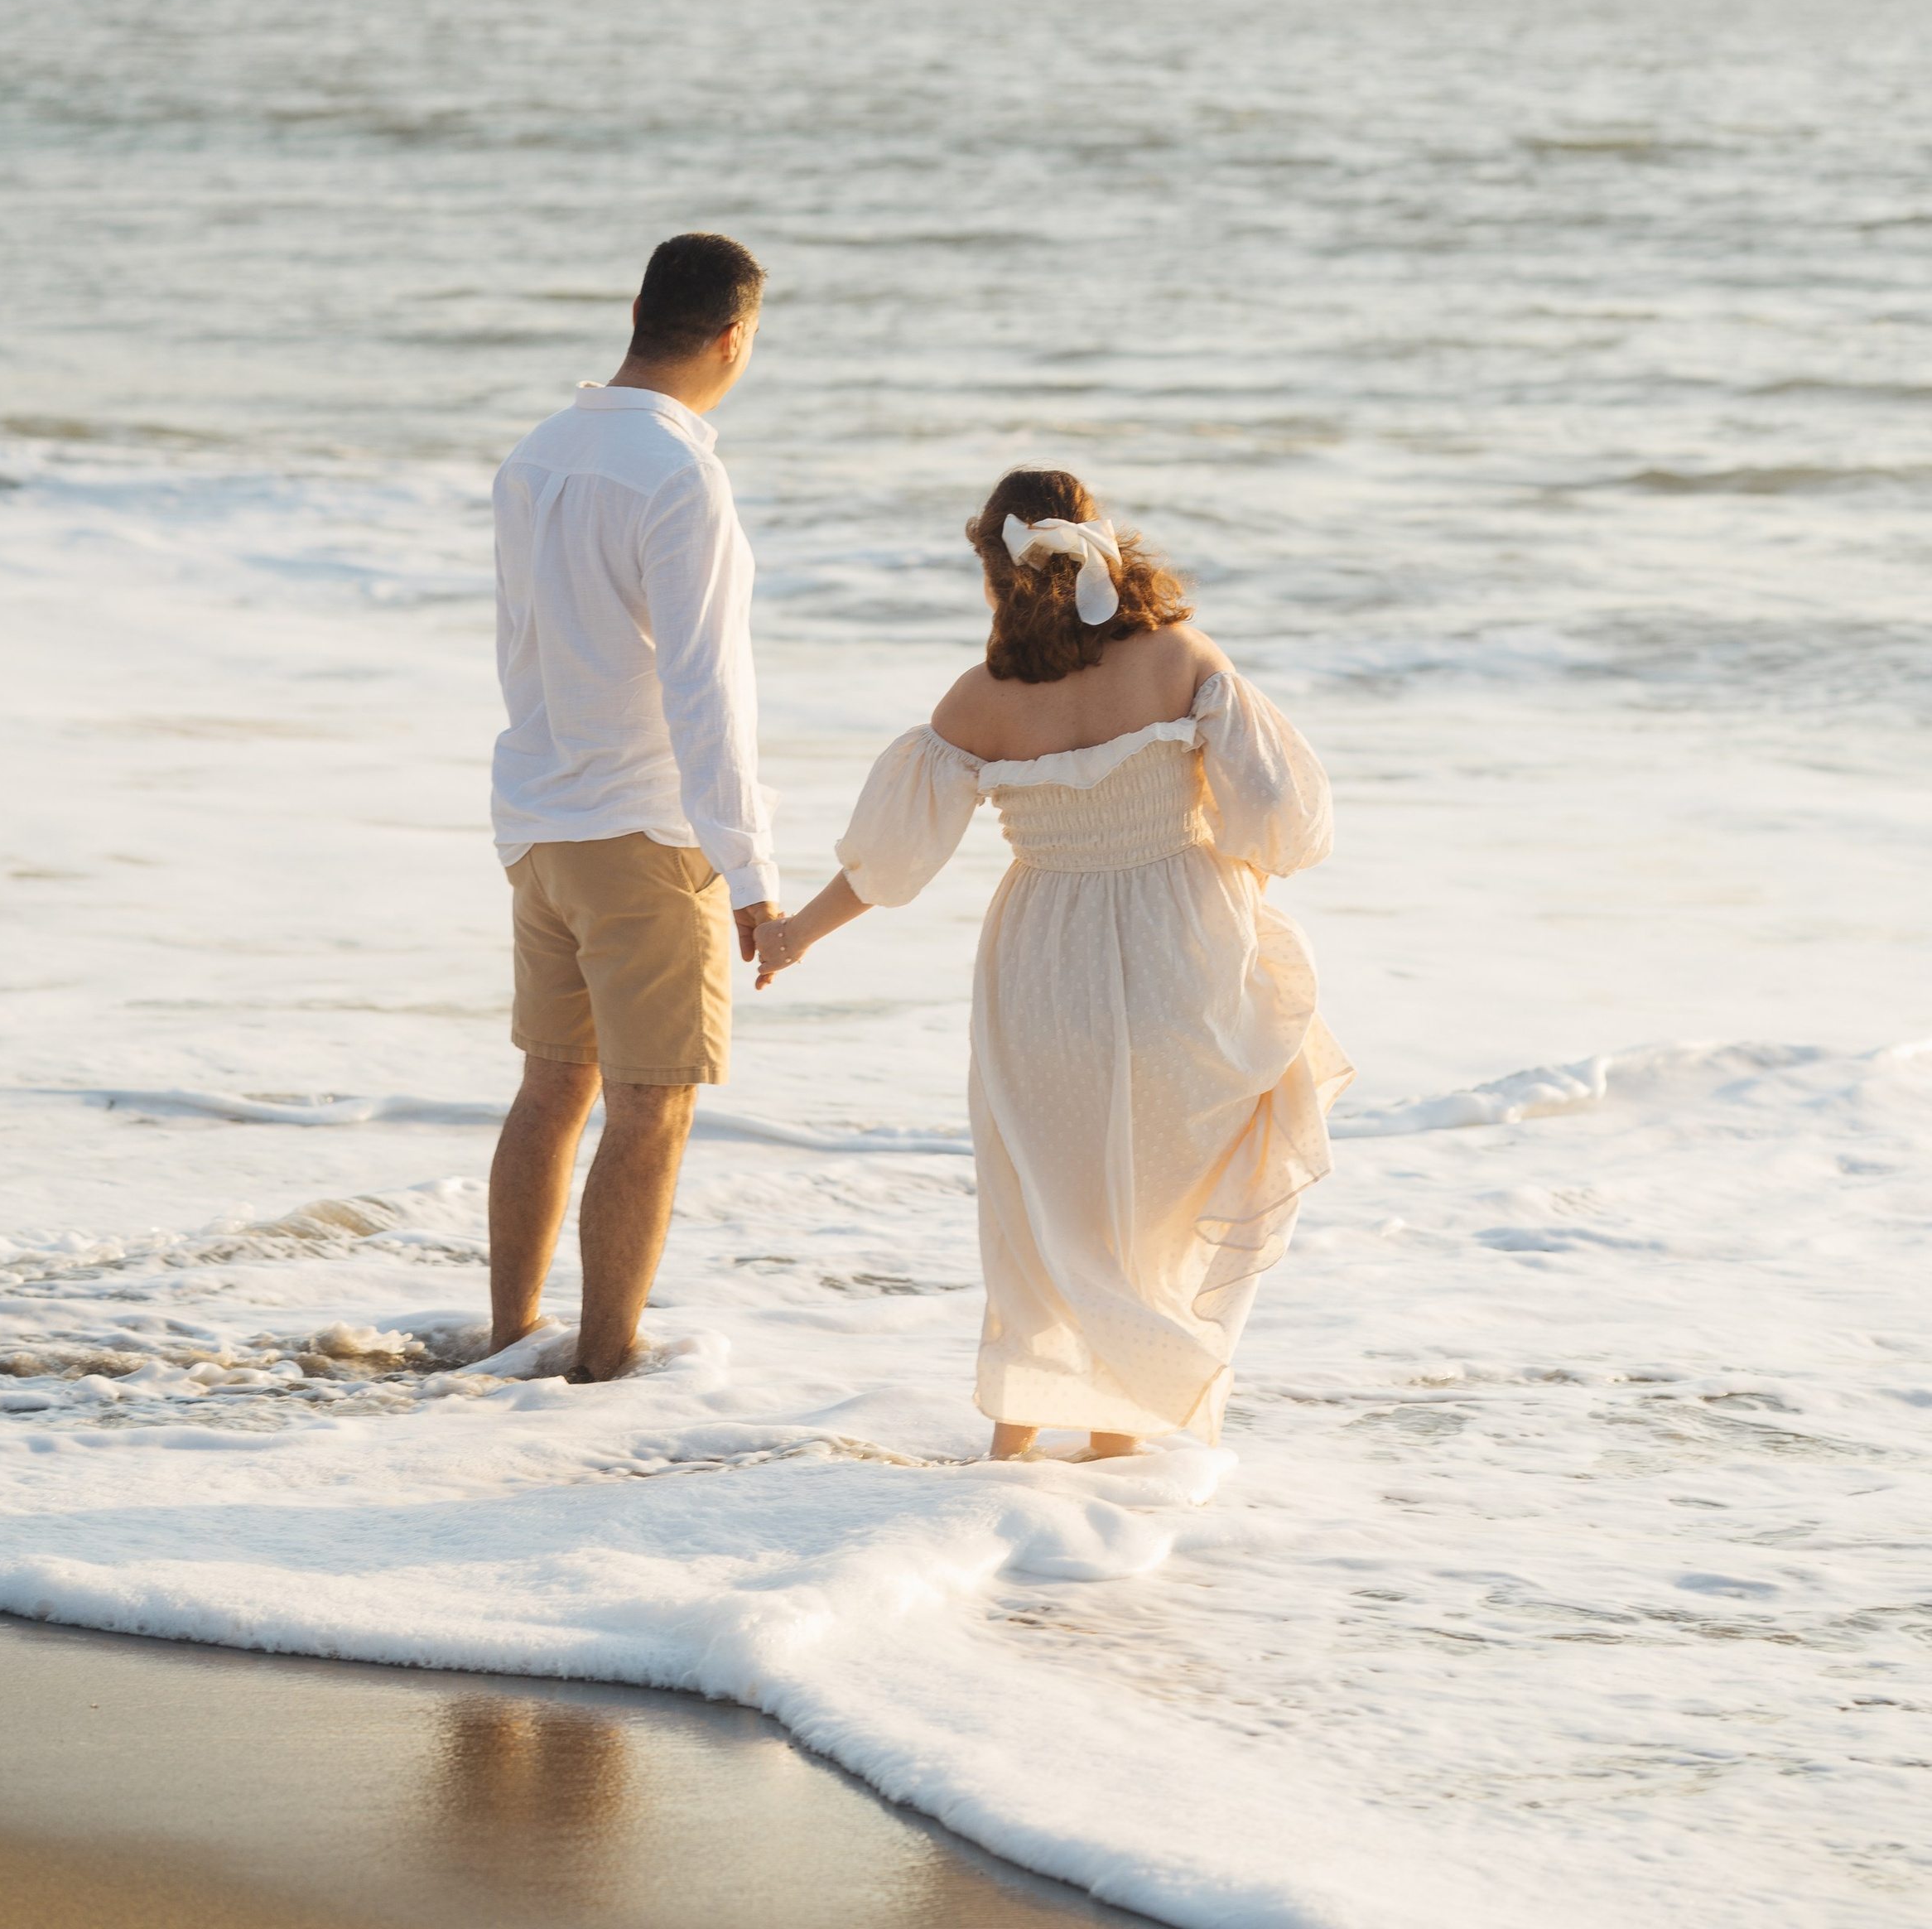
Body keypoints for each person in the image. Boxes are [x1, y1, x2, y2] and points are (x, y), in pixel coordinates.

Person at [751, 468, 1350, 1459]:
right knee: (1152, 1202)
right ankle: (1117, 1449)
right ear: (1100, 543)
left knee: (1037, 1204)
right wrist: (1212, 869)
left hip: (1042, 963)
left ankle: (1014, 1448)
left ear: (996, 572)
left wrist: (794, 934)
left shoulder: (980, 703)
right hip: (1182, 944)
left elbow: (891, 862)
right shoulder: (1177, 660)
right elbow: (1281, 815)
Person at [483, 232, 780, 1382]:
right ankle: (601, 1372)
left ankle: (511, 1343)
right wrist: (748, 867)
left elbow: (523, 647)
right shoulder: (681, 474)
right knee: (651, 1106)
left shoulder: (538, 454)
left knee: (553, 1086)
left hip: (541, 818)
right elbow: (708, 688)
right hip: (646, 829)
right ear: (732, 337)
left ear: (638, 312)